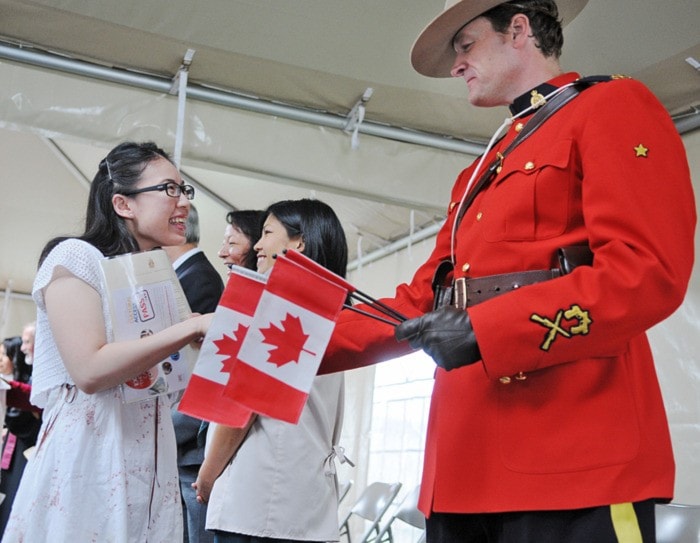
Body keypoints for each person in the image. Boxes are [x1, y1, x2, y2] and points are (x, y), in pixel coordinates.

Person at [318, 1, 696, 541]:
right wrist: (282, 345)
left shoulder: (611, 105)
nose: (455, 65)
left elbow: (647, 272)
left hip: (572, 462)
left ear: (518, 30)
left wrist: (488, 330)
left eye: (465, 44)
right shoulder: (478, 171)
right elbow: (418, 302)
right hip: (463, 469)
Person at [2, 141, 213, 543]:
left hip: (150, 463)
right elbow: (89, 369)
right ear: (123, 204)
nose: (182, 202)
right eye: (169, 189)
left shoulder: (156, 278)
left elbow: (163, 382)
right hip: (90, 455)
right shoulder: (76, 257)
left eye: (184, 190)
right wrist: (189, 329)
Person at [195, 199, 348, 543]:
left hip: (258, 496)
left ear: (299, 242)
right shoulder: (328, 308)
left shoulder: (279, 306)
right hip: (302, 496)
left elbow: (242, 406)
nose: (259, 246)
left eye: (266, 233)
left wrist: (208, 474)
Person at [165, 204, 224, 543]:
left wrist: (168, 429)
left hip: (189, 440)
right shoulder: (184, 275)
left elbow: (201, 371)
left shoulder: (199, 279)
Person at [0, 336, 41, 533]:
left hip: (26, 448)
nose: (25, 348)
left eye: (28, 342)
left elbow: (33, 401)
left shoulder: (34, 380)